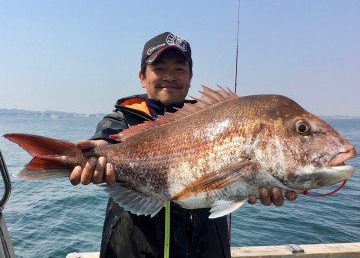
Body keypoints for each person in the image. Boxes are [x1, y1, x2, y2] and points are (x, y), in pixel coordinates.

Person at [69, 32, 297, 258]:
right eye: (159, 69)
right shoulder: (121, 120)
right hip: (130, 248)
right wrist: (95, 152)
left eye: (179, 69)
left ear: (190, 77)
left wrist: (258, 183)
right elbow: (108, 138)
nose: (169, 76)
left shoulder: (213, 121)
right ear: (142, 77)